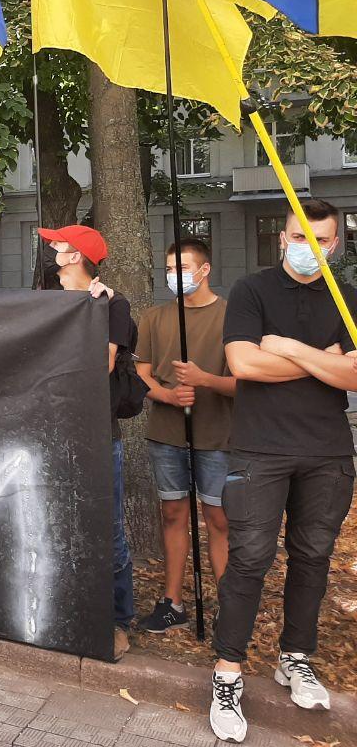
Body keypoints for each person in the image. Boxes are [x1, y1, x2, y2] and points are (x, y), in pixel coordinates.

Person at [208, 200, 357, 743]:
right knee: (249, 559)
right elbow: (244, 363)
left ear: (336, 243)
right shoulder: (252, 291)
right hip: (260, 451)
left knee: (313, 557)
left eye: (322, 240)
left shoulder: (345, 297)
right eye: (301, 236)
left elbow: (355, 379)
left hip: (327, 452)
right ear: (282, 237)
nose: (310, 248)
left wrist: (289, 348)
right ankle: (227, 673)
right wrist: (325, 360)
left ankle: (294, 657)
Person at [38, 225, 135, 659]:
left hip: (97, 434)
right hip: (53, 431)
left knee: (107, 528)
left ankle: (116, 621)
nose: (53, 251)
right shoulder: (53, 302)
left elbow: (104, 361)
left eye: (59, 246)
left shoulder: (113, 305)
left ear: (76, 256)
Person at [135, 238, 234, 635]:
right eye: (170, 269)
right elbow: (141, 375)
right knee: (173, 514)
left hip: (217, 436)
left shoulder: (232, 317)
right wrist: (169, 395)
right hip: (167, 435)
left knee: (218, 519)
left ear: (205, 270)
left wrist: (206, 380)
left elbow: (247, 383)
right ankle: (172, 601)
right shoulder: (154, 319)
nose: (176, 276)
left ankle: (230, 609)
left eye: (184, 268)